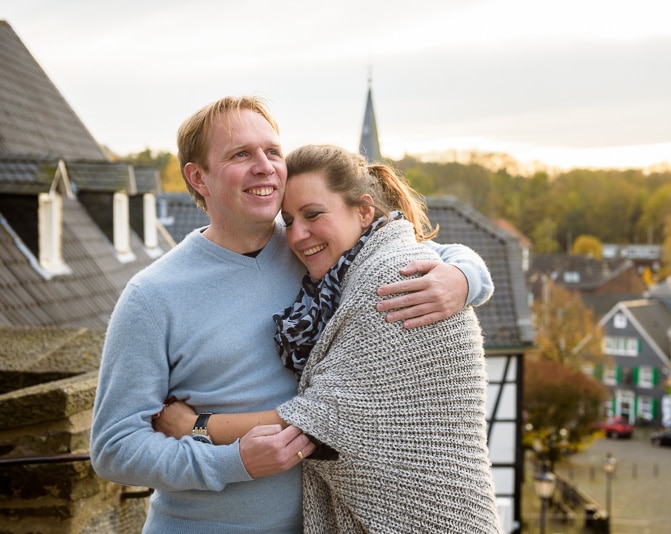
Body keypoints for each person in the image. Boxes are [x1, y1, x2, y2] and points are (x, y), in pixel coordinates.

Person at [90, 96, 494, 533]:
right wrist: (231, 461)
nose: (264, 166)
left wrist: (464, 277)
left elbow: (416, 252)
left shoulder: (313, 245)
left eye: (272, 151)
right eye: (241, 154)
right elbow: (114, 448)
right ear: (198, 177)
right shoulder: (152, 297)